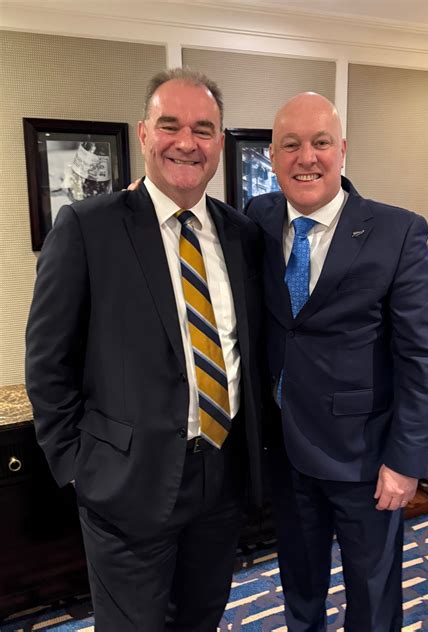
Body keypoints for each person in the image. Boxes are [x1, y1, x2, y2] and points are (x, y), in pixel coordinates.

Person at [25, 68, 263, 632]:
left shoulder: (241, 234)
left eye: (203, 129)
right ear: (143, 133)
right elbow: (48, 362)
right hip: (125, 483)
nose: (187, 142)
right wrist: (79, 467)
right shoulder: (87, 227)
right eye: (170, 125)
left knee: (200, 619)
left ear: (219, 140)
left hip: (221, 476)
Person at [246, 92, 428, 631]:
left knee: (373, 600)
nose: (306, 157)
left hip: (367, 459)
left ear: (342, 150)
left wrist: (407, 461)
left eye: (321, 142)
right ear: (272, 156)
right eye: (291, 144)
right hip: (286, 451)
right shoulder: (257, 218)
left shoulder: (398, 231)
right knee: (299, 589)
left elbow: (424, 357)